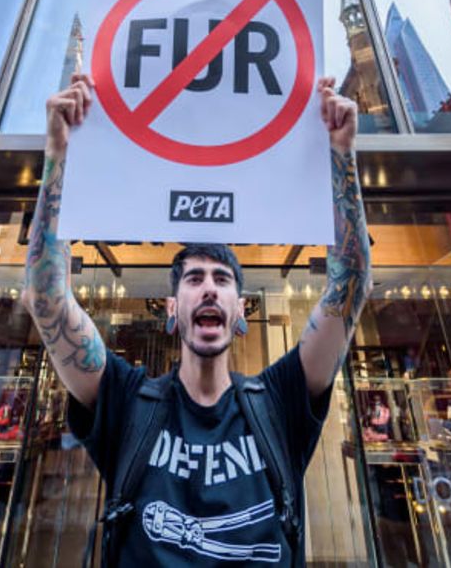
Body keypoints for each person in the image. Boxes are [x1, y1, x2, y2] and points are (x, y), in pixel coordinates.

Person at [22, 73, 372, 566]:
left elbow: (350, 285)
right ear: (171, 309)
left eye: (223, 280)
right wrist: (59, 155)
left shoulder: (280, 400)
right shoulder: (126, 401)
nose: (209, 286)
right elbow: (46, 297)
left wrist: (341, 153)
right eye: (193, 279)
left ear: (240, 311)